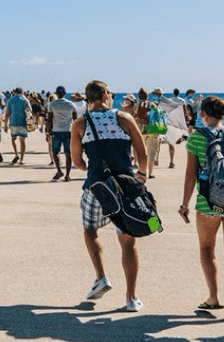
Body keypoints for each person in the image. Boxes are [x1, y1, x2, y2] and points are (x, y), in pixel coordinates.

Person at [71, 80, 149, 312]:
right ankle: (132, 298)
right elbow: (142, 153)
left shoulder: (80, 124)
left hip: (97, 188)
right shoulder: (124, 118)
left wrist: (89, 169)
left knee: (91, 230)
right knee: (128, 241)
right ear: (106, 95)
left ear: (88, 98)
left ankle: (101, 277)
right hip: (125, 186)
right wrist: (142, 175)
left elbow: (77, 161)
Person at [178, 96, 224, 322]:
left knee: (207, 249)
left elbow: (191, 173)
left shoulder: (196, 138)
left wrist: (184, 204)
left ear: (203, 114)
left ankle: (213, 298)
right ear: (222, 115)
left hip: (208, 202)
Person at [46, 85, 78, 181]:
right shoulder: (71, 104)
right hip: (68, 130)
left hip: (56, 130)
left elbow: (49, 119)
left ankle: (59, 171)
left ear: (56, 93)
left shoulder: (52, 104)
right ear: (64, 93)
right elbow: (75, 120)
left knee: (55, 152)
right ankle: (67, 175)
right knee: (68, 153)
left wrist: (47, 131)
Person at [4, 87, 31, 164]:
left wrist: (5, 125)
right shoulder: (25, 100)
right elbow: (30, 110)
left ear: (15, 92)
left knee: (13, 139)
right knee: (22, 141)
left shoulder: (10, 100)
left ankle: (16, 154)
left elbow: (7, 113)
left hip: (13, 123)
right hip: (23, 123)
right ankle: (21, 159)